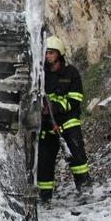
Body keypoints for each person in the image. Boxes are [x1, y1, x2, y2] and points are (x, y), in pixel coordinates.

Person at [37, 36, 91, 203]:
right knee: (45, 162)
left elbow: (75, 98)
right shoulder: (40, 74)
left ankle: (85, 189)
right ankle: (45, 198)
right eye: (45, 53)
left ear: (59, 54)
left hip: (68, 122)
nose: (47, 56)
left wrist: (56, 106)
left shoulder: (71, 73)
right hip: (47, 125)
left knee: (77, 157)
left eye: (51, 53)